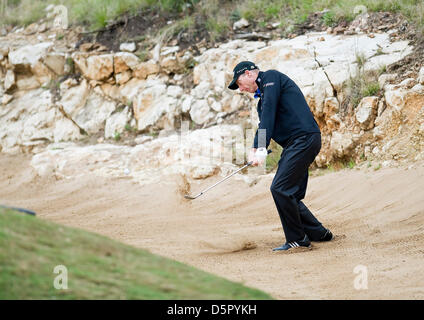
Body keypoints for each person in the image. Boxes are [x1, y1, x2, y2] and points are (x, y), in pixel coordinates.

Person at [228, 61, 333, 251]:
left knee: (280, 189)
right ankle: (319, 233)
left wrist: (259, 147)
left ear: (250, 74)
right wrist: (257, 148)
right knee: (290, 193)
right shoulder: (263, 101)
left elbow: (268, 114)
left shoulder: (271, 79)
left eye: (240, 82)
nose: (241, 89)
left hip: (304, 139)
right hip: (296, 144)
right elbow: (266, 121)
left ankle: (297, 240)